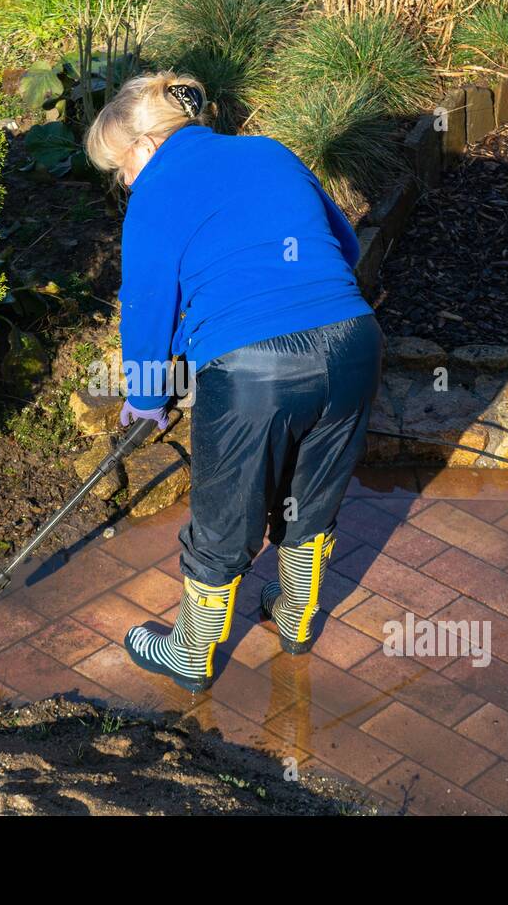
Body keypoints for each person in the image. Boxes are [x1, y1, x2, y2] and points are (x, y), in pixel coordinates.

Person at [84, 70, 384, 692]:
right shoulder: (269, 150)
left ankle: (191, 653)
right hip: (353, 341)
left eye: (120, 166)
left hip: (255, 370)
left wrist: (145, 398)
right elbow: (346, 246)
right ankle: (296, 618)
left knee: (225, 513)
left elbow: (146, 307)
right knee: (312, 491)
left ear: (144, 146)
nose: (124, 181)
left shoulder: (154, 193)